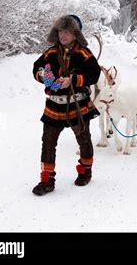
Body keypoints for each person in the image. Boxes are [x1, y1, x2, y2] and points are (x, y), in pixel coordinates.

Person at [32, 15, 101, 196]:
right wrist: (42, 76)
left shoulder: (84, 54)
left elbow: (94, 75)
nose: (63, 35)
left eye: (68, 32)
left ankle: (85, 171)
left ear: (75, 34)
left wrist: (72, 80)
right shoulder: (50, 53)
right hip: (54, 107)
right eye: (61, 31)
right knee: (47, 142)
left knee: (83, 139)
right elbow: (36, 68)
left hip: (78, 106)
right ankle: (47, 180)